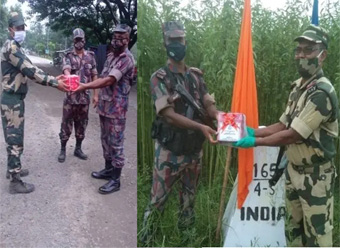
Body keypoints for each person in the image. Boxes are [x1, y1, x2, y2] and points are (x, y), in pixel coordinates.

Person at [234, 25, 338, 247]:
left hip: (316, 177)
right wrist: (252, 130)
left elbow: (290, 135)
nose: (301, 55)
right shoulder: (298, 88)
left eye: (308, 50)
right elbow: (282, 124)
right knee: (295, 232)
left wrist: (254, 142)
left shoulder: (321, 93)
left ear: (322, 55)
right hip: (294, 172)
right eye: (298, 50)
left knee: (318, 236)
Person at [140, 21, 219, 244]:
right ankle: (147, 241)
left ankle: (187, 240)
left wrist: (220, 117)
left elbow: (207, 102)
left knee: (188, 202)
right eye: (172, 40)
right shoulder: (159, 78)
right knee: (157, 202)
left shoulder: (195, 76)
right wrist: (200, 127)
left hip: (194, 152)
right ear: (165, 42)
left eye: (180, 40)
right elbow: (168, 114)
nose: (177, 45)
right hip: (169, 153)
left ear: (186, 41)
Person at [1, 12, 69, 194]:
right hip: (12, 100)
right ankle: (15, 182)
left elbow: (33, 67)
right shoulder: (12, 48)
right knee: (15, 140)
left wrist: (54, 77)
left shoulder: (16, 46)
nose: (22, 30)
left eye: (23, 27)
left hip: (14, 99)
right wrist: (56, 83)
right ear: (10, 29)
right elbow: (30, 71)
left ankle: (12, 169)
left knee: (13, 137)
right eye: (18, 28)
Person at [75, 23, 136, 194]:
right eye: (114, 36)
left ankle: (116, 180)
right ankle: (108, 170)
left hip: (116, 110)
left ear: (127, 39)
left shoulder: (126, 59)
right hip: (105, 106)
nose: (116, 40)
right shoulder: (110, 56)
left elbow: (109, 80)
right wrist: (96, 95)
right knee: (105, 140)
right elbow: (101, 76)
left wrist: (84, 86)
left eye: (120, 37)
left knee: (116, 143)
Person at [57, 28, 98, 162]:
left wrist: (96, 95)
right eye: (76, 40)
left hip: (84, 98)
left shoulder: (90, 56)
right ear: (73, 40)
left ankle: (78, 149)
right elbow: (66, 70)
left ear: (84, 39)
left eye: (81, 39)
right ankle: (63, 149)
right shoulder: (68, 56)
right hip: (70, 98)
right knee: (66, 124)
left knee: (82, 124)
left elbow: (94, 76)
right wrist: (70, 77)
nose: (79, 42)